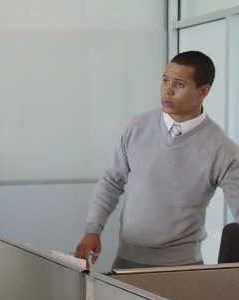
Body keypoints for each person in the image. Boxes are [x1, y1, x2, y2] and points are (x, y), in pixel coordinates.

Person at [75, 50, 239, 269]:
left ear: (203, 91)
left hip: (181, 267)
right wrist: (93, 229)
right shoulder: (137, 127)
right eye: (165, 80)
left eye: (179, 84)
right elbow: (111, 182)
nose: (168, 90)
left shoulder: (222, 149)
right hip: (126, 262)